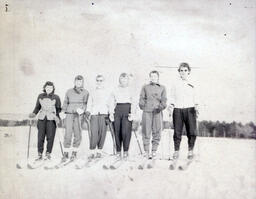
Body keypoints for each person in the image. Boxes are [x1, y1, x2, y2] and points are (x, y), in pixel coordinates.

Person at [168, 63, 199, 160]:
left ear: (189, 71)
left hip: (190, 109)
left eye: (185, 70)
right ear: (179, 72)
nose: (183, 72)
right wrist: (171, 105)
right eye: (181, 70)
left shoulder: (193, 82)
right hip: (178, 109)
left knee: (192, 131)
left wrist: (197, 106)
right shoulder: (175, 83)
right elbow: (172, 96)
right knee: (177, 132)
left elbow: (196, 96)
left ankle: (190, 151)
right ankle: (176, 151)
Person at [29, 81, 61, 161]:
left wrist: (57, 117)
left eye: (50, 88)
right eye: (47, 87)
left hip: (51, 119)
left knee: (50, 137)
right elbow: (37, 107)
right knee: (40, 137)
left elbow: (58, 109)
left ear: (53, 88)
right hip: (42, 118)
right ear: (44, 88)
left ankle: (48, 154)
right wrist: (33, 114)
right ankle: (40, 154)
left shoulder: (56, 97)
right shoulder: (40, 96)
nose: (49, 89)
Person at [60, 75, 89, 162]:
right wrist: (63, 111)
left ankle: (74, 153)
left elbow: (86, 104)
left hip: (79, 115)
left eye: (80, 82)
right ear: (74, 82)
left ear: (82, 82)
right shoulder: (69, 91)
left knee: (78, 133)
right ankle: (66, 153)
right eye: (77, 81)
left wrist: (83, 109)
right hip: (69, 114)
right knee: (68, 133)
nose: (78, 83)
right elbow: (65, 102)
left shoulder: (85, 92)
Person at [139, 71, 167, 159]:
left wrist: (160, 107)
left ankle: (154, 151)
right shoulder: (145, 87)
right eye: (151, 76)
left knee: (157, 131)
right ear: (149, 77)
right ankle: (146, 151)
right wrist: (142, 106)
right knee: (146, 131)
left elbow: (164, 100)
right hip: (147, 111)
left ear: (158, 77)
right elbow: (142, 98)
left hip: (157, 112)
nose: (153, 78)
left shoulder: (162, 88)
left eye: (155, 76)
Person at [109, 73, 136, 160]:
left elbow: (134, 103)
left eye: (125, 79)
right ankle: (117, 151)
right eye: (122, 79)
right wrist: (111, 113)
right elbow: (111, 102)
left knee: (125, 131)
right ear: (119, 80)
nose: (123, 81)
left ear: (127, 80)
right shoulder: (115, 89)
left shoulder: (131, 90)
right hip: (118, 109)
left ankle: (126, 151)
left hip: (127, 109)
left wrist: (132, 113)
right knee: (117, 131)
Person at [86, 75, 112, 159]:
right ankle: (92, 151)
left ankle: (99, 151)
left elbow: (110, 104)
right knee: (94, 133)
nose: (99, 82)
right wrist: (88, 111)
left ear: (103, 81)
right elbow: (89, 103)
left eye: (101, 80)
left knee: (102, 133)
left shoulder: (108, 92)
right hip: (94, 114)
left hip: (104, 113)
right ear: (96, 81)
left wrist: (110, 113)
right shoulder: (92, 91)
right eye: (98, 80)